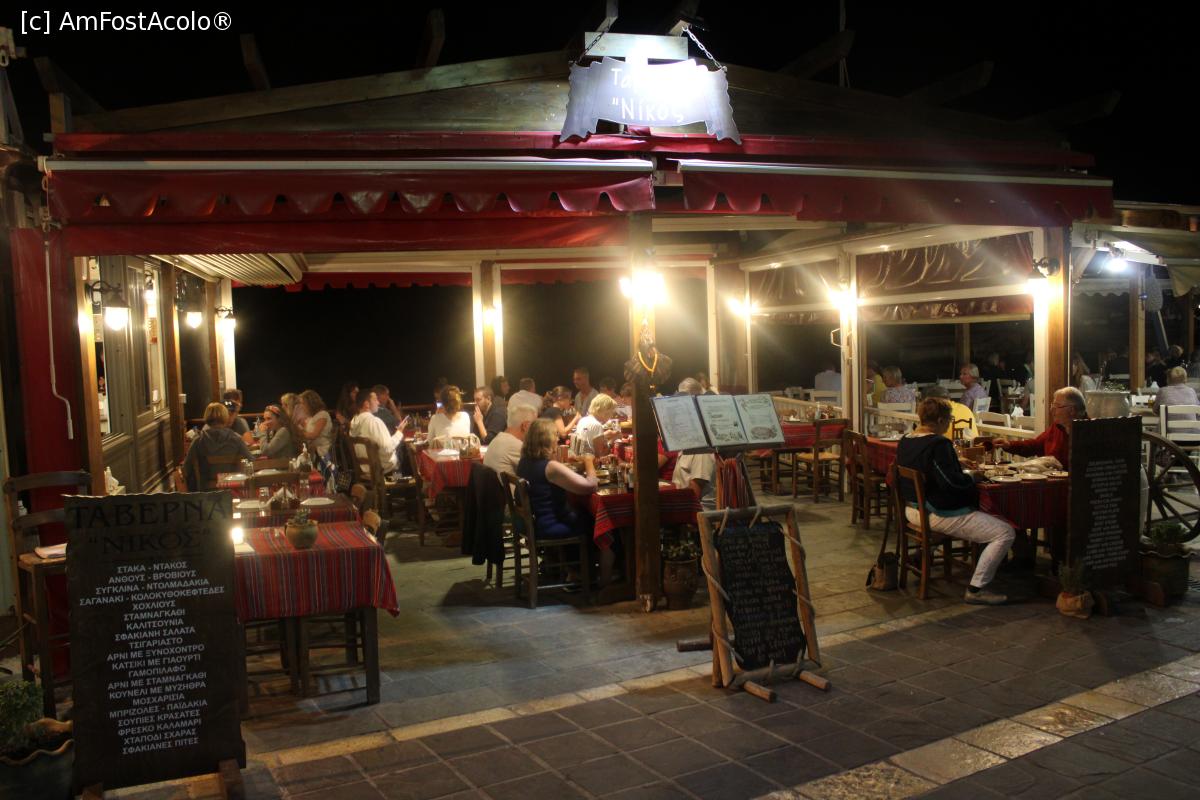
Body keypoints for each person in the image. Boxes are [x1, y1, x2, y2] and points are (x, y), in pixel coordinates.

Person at [895, 397, 1015, 605]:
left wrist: (956, 462)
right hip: (935, 512)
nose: (949, 423)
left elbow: (927, 466)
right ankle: (976, 589)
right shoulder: (938, 444)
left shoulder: (906, 440)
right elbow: (952, 484)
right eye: (949, 419)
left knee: (984, 516)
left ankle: (925, 553)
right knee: (1004, 532)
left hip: (912, 509)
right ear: (940, 420)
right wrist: (973, 476)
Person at [516, 418, 598, 540]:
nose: (558, 439)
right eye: (555, 435)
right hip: (551, 526)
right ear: (547, 440)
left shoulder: (524, 462)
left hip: (533, 524)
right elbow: (591, 486)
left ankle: (562, 552)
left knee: (582, 512)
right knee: (595, 520)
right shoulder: (550, 467)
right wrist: (588, 461)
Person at [993, 387, 1088, 469]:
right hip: (1052, 480)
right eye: (1052, 405)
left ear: (1071, 410)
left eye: (1056, 406)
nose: (1052, 409)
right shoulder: (1057, 427)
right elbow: (1035, 445)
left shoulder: (1088, 431)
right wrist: (1009, 445)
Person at [183, 402, 251, 491]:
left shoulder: (198, 441)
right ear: (225, 417)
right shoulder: (236, 438)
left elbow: (186, 468)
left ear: (206, 417)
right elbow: (250, 460)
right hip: (233, 489)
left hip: (206, 491)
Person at [671, 378, 717, 510]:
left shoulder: (701, 446)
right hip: (683, 503)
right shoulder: (689, 440)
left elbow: (694, 494)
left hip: (697, 512)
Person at [351, 390, 406, 473]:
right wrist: (399, 432)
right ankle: (399, 478)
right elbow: (387, 449)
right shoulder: (374, 422)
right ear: (367, 404)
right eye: (375, 399)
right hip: (381, 468)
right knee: (403, 451)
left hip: (365, 468)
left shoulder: (354, 421)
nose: (378, 403)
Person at [483, 402, 537, 477]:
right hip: (506, 485)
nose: (537, 430)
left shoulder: (498, 439)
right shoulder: (516, 446)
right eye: (535, 426)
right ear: (525, 426)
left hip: (492, 484)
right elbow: (539, 470)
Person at [298, 389, 334, 458]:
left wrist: (299, 432)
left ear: (310, 403)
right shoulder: (311, 417)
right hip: (313, 450)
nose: (301, 406)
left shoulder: (322, 415)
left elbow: (314, 435)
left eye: (303, 403)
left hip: (323, 451)